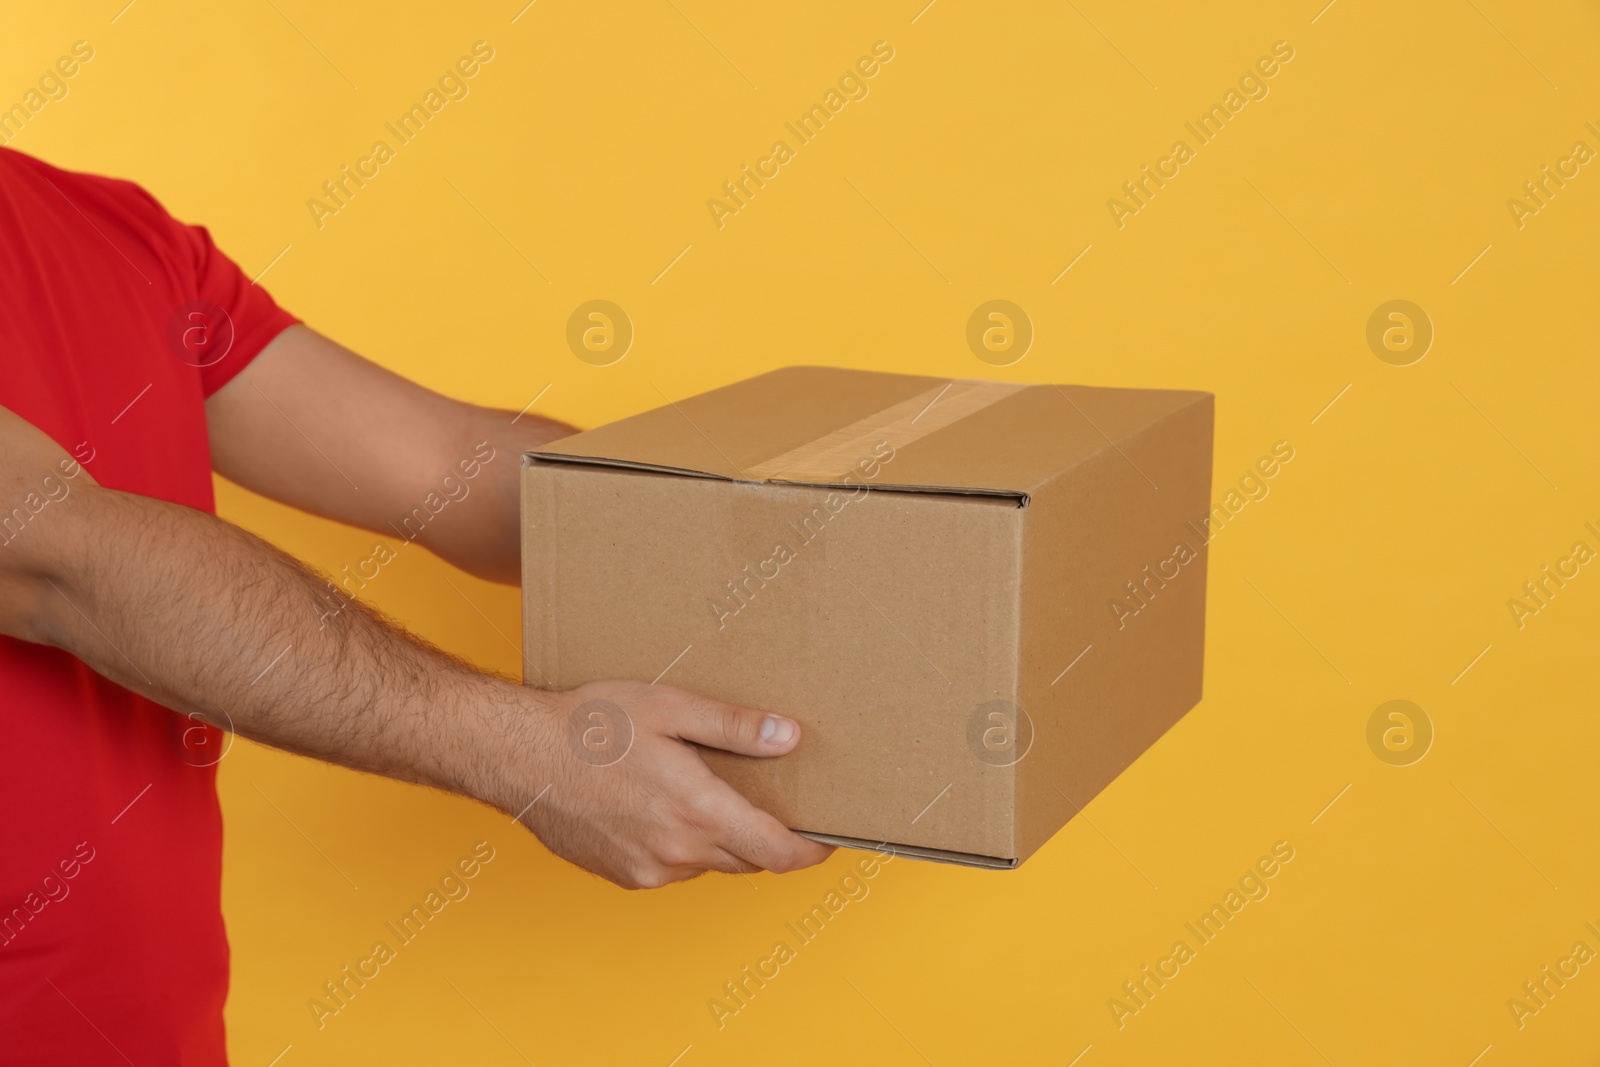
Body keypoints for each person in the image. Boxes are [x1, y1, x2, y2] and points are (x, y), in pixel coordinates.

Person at [0, 145, 830, 1062]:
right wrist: (531, 750)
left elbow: (449, 469)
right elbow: (64, 559)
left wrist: (796, 540)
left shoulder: (113, 233)